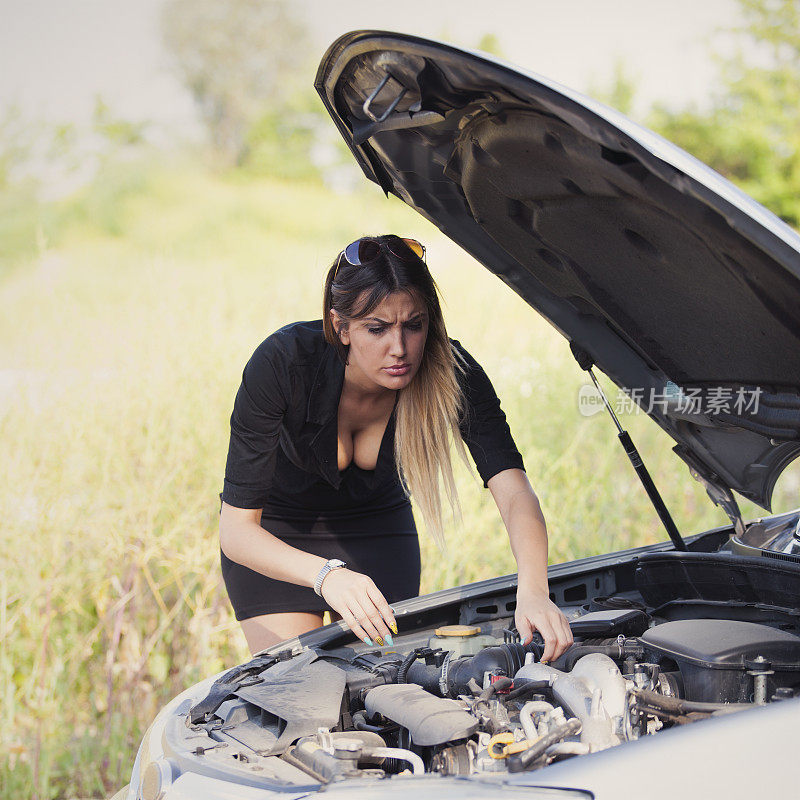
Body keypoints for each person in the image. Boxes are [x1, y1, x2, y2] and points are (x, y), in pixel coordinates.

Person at [219, 234, 573, 660]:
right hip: (277, 537)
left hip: (379, 530)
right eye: (378, 328)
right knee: (301, 694)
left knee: (388, 692)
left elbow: (515, 490)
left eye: (414, 324)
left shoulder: (452, 372)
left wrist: (534, 589)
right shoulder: (282, 363)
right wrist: (328, 576)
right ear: (340, 325)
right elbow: (236, 531)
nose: (400, 348)